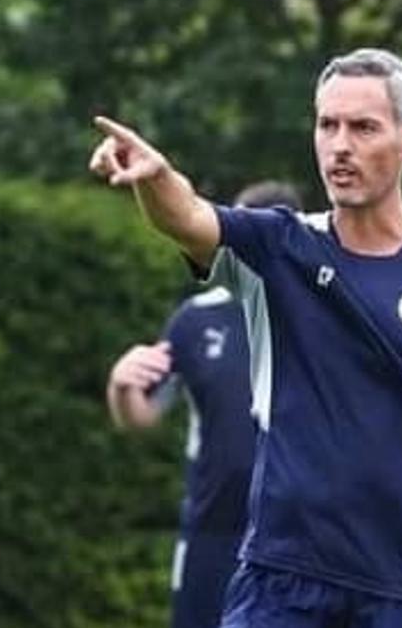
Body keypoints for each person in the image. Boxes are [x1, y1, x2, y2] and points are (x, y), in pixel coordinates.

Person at [89, 48, 402, 628]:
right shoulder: (277, 248)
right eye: (327, 125)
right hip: (277, 585)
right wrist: (154, 177)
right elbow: (189, 216)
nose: (339, 145)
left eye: (363, 127)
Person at [106, 181, 300, 628]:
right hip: (214, 531)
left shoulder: (323, 318)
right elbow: (143, 417)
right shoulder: (196, 319)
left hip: (297, 539)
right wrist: (122, 387)